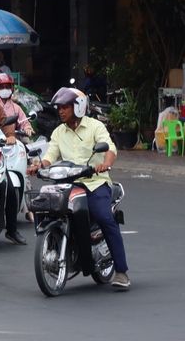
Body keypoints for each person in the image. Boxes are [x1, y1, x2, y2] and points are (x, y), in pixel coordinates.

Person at [32, 87, 130, 290]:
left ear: (78, 107)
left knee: (104, 217)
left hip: (95, 182)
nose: (61, 111)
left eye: (65, 107)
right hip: (68, 183)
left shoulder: (95, 126)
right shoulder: (59, 132)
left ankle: (121, 272)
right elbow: (50, 155)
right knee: (44, 206)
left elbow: (109, 148)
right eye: (59, 108)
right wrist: (39, 165)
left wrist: (105, 163)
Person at [0, 72, 30, 245]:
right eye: (2, 87)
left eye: (8, 87)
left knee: (12, 189)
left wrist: (25, 130)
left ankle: (11, 230)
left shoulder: (15, 108)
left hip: (7, 148)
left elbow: (22, 123)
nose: (5, 90)